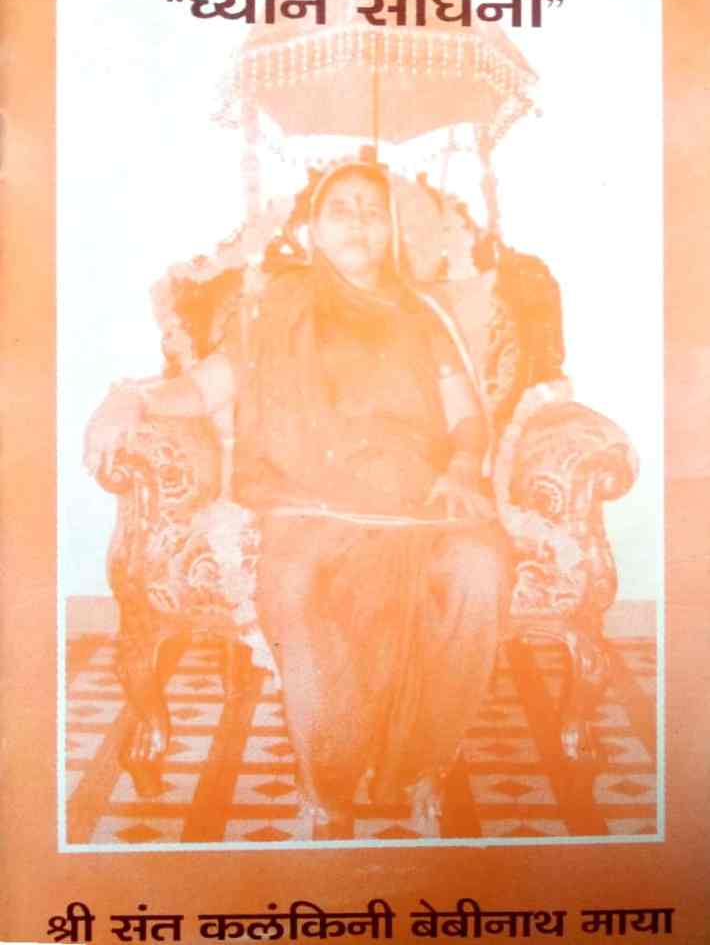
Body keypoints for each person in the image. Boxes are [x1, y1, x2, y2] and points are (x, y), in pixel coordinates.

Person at [85, 161, 513, 839]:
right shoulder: (273, 308)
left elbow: (464, 415)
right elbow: (205, 387)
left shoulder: (421, 315)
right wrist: (130, 397)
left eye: (372, 211)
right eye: (341, 208)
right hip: (307, 504)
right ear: (313, 228)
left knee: (479, 568)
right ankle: (329, 785)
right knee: (300, 587)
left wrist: (463, 467)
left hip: (419, 502)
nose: (358, 222)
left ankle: (420, 765)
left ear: (391, 231)